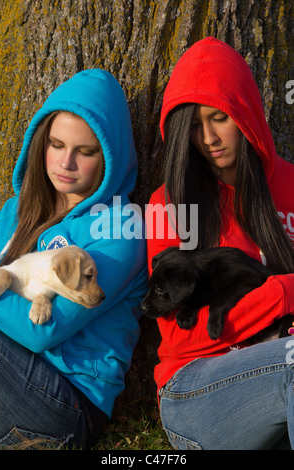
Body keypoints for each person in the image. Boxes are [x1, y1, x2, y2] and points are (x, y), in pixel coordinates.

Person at [146, 37, 294, 450]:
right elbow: (181, 336)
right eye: (194, 125)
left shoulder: (291, 186)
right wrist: (284, 291)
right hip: (196, 389)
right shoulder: (168, 205)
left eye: (219, 118)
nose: (208, 137)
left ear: (246, 114)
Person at [0, 69, 147, 449]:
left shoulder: (121, 229)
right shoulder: (18, 210)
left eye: (86, 151)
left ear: (111, 156)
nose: (66, 162)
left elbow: (40, 330)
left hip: (66, 403)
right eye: (57, 145)